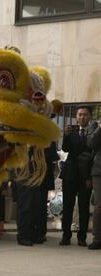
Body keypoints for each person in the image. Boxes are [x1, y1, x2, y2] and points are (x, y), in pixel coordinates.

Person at [59, 105, 93, 246]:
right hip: (70, 174)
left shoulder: (94, 132)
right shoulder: (71, 131)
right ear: (76, 117)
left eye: (85, 115)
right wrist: (66, 135)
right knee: (67, 206)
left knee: (84, 207)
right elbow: (65, 149)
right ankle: (66, 236)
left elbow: (95, 155)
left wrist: (90, 177)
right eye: (79, 115)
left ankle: (82, 237)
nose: (81, 117)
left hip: (86, 176)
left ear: (89, 116)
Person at [87, 121, 101, 250]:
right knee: (99, 205)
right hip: (99, 171)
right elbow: (90, 143)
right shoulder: (95, 125)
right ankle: (97, 238)